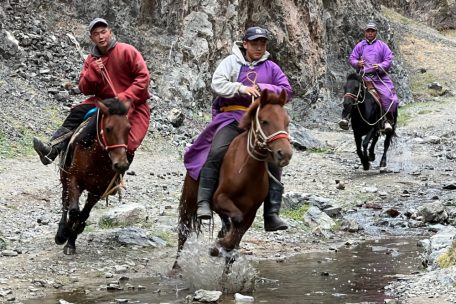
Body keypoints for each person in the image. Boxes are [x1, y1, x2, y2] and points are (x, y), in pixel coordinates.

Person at [183, 26, 293, 232]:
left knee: (275, 161)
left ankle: (271, 214)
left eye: (262, 44)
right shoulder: (231, 62)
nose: (258, 47)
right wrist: (240, 88)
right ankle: (204, 202)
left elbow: (286, 90)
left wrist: (264, 88)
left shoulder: (272, 68)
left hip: (260, 122)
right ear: (245, 44)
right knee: (215, 151)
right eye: (254, 43)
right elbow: (217, 84)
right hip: (232, 116)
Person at [33, 17, 150, 165]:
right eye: (96, 33)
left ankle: (118, 175)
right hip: (102, 101)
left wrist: (125, 96)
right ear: (91, 37)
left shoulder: (127, 51)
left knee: (128, 143)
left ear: (110, 32)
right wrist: (93, 71)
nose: (101, 36)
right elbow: (84, 88)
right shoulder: (91, 59)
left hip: (133, 102)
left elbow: (143, 78)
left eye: (103, 32)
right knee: (77, 114)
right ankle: (52, 150)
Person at [339, 21, 399, 133]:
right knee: (351, 92)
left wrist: (380, 66)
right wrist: (357, 63)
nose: (370, 33)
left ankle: (387, 120)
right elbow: (352, 58)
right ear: (365, 33)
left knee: (390, 98)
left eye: (372, 31)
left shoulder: (382, 45)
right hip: (363, 77)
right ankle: (345, 118)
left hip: (378, 77)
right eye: (368, 31)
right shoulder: (360, 45)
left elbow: (389, 59)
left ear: (376, 33)